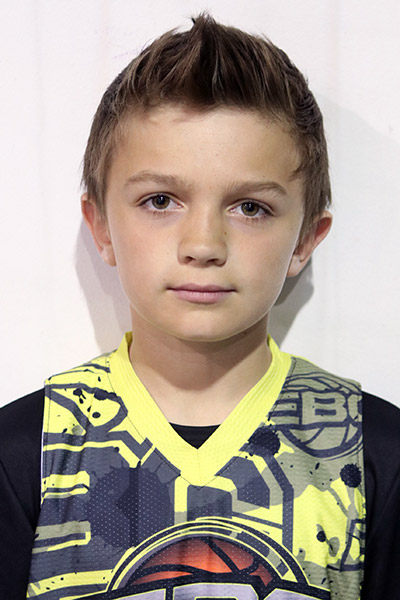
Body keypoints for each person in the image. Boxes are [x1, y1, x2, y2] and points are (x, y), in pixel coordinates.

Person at [0, 13, 399, 600]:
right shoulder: (25, 453)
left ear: (306, 240)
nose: (204, 245)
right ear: (101, 226)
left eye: (251, 207)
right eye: (160, 200)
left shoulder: (375, 452)